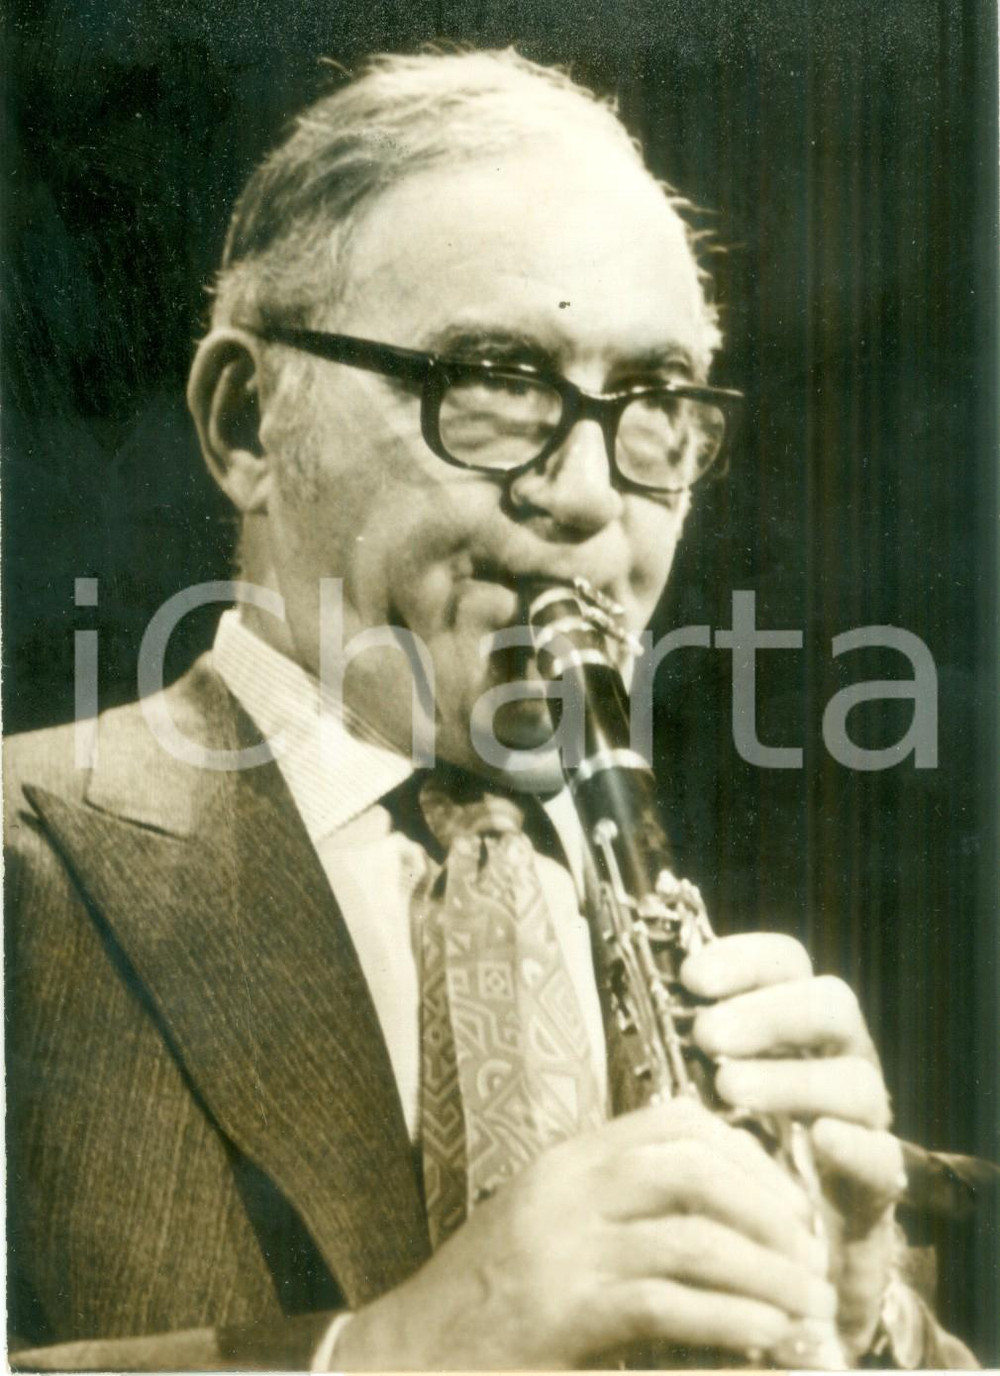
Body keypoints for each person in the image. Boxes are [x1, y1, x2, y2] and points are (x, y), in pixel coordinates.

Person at [4, 49, 978, 1371]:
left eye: (654, 406)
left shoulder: (695, 957)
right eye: (499, 380)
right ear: (247, 423)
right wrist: (397, 1350)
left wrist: (864, 1326)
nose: (586, 496)